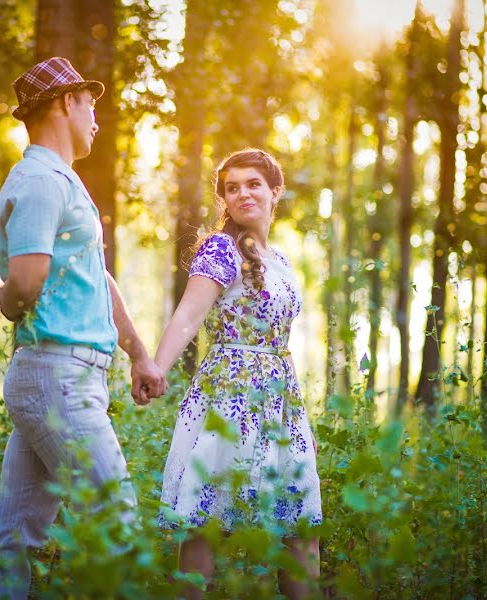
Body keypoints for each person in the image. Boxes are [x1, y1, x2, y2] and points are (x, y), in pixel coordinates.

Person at [0, 57, 166, 599]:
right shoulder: (39, 180)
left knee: (14, 534)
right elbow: (27, 280)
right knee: (116, 519)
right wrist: (6, 299)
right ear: (65, 103)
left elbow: (95, 278)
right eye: (90, 105)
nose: (96, 119)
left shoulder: (61, 180)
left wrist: (138, 353)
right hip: (57, 377)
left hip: (61, 377)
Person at [154, 149, 322, 599]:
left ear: (274, 191)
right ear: (223, 200)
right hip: (228, 395)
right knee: (206, 522)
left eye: (253, 184)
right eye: (232, 187)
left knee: (301, 521)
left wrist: (297, 418)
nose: (243, 193)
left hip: (281, 399)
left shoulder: (281, 260)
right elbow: (188, 317)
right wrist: (155, 369)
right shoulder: (220, 248)